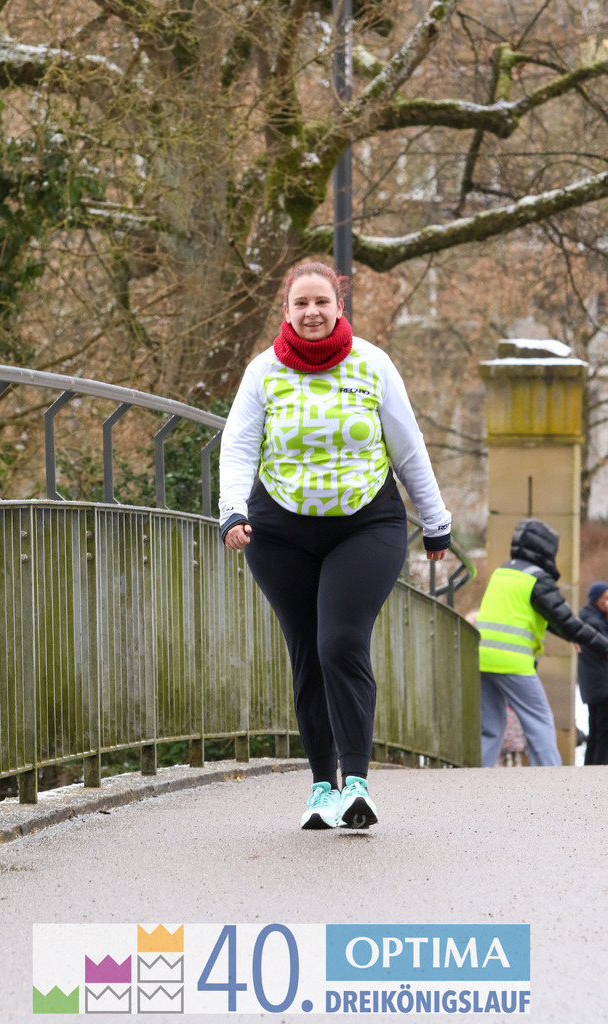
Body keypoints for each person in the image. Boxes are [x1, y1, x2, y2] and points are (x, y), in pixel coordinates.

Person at [218, 262, 451, 830]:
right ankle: (322, 786)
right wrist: (232, 511)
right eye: (301, 303)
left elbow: (408, 447)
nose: (312, 312)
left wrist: (436, 521)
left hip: (364, 524)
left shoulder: (372, 364)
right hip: (280, 530)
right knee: (306, 650)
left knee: (340, 642)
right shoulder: (264, 371)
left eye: (322, 302)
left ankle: (357, 783)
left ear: (338, 306)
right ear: (287, 310)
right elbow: (238, 446)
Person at [477, 519, 608, 767]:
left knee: (491, 726)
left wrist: (570, 636)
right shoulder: (536, 578)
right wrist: (606, 648)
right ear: (546, 549)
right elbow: (566, 620)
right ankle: (553, 780)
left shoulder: (503, 571)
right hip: (513, 660)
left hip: (482, 656)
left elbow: (536, 615)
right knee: (540, 719)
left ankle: (475, 778)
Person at [577, 582, 608, 765]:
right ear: (597, 599)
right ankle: (599, 775)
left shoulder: (586, 619)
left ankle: (590, 771)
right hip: (604, 685)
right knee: (605, 735)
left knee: (596, 732)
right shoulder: (596, 621)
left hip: (594, 685)